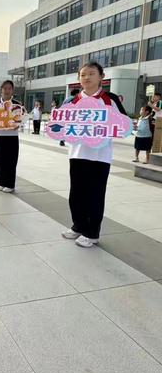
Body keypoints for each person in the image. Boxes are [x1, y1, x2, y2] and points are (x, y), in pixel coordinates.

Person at [61, 62, 127, 248]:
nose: (87, 78)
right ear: (78, 79)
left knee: (95, 195)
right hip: (77, 154)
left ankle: (92, 233)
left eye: (91, 74)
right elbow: (61, 125)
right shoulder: (71, 101)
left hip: (100, 156)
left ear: (101, 77)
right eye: (83, 75)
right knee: (76, 193)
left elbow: (124, 125)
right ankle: (78, 225)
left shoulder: (109, 99)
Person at [0, 80, 22, 193]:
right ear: (1, 90)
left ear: (12, 91)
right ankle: (2, 182)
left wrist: (17, 124)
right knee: (1, 159)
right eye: (5, 88)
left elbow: (20, 119)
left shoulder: (17, 104)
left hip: (12, 136)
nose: (7, 90)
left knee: (11, 160)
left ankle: (10, 184)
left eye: (9, 88)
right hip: (0, 135)